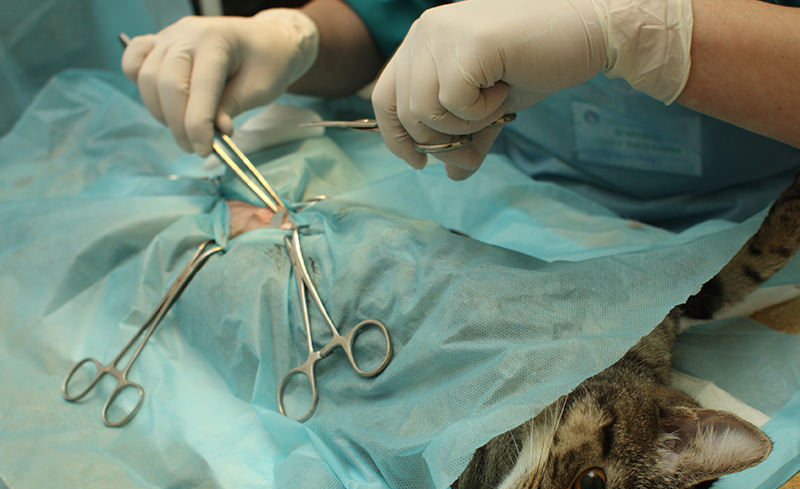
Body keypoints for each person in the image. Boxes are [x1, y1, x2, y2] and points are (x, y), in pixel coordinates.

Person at [122, 0, 800, 226]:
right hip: (516, 206)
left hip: (759, 231)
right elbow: (385, 22)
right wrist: (293, 38)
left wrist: (638, 31)